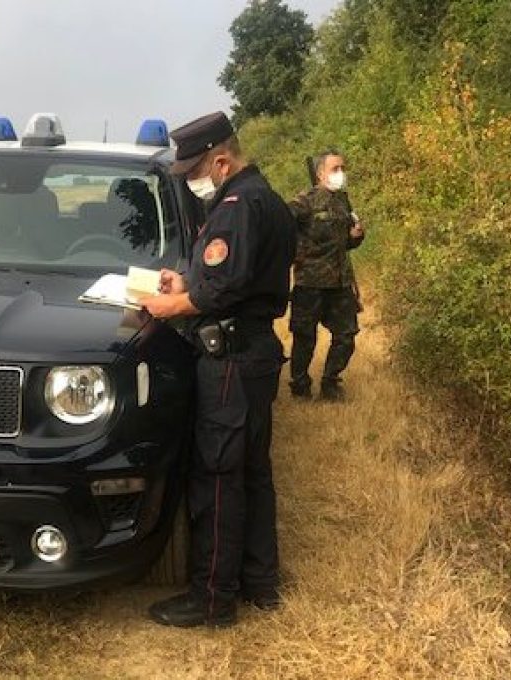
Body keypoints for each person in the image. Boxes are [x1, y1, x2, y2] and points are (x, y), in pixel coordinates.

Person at [139, 112, 297, 628]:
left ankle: (211, 600)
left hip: (229, 359)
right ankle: (260, 582)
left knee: (218, 476)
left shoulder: (234, 205)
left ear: (221, 160)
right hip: (255, 353)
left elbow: (218, 290)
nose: (191, 181)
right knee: (253, 472)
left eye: (193, 172)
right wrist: (184, 277)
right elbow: (230, 275)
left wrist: (170, 304)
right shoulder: (265, 198)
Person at [288, 150, 365, 401]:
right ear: (320, 173)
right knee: (304, 338)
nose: (340, 173)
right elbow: (283, 223)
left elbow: (346, 242)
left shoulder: (343, 201)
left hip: (340, 282)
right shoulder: (305, 201)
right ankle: (300, 386)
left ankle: (331, 382)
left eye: (342, 167)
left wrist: (356, 236)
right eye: (334, 168)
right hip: (310, 283)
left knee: (346, 334)